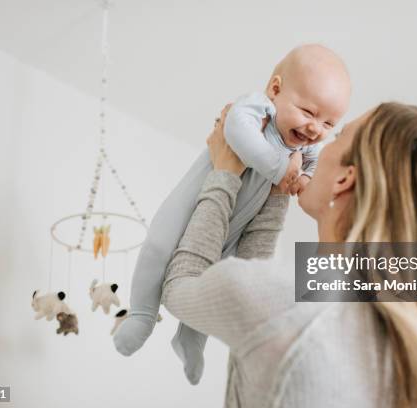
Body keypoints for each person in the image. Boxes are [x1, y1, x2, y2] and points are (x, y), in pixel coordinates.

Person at [161, 102, 417, 407]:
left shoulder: (284, 303)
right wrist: (274, 193)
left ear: (343, 179)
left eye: (336, 135)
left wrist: (224, 174)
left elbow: (180, 285)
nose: (318, 139)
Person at [113, 44, 351, 385]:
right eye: (309, 112)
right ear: (275, 89)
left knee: (215, 275)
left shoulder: (305, 148)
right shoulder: (257, 108)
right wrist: (280, 168)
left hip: (233, 225)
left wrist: (304, 177)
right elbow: (235, 131)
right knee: (158, 245)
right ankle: (142, 314)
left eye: (329, 123)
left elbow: (308, 168)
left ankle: (192, 338)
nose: (316, 129)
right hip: (195, 202)